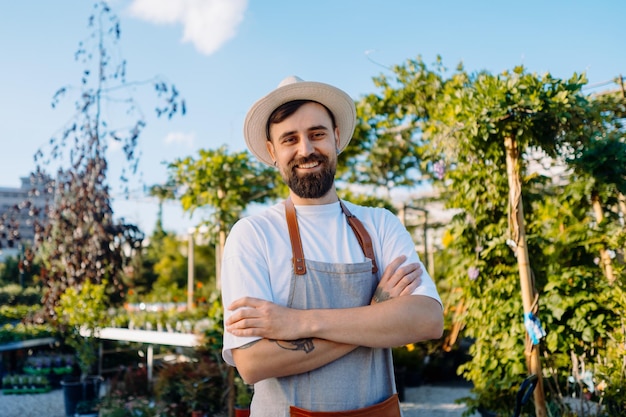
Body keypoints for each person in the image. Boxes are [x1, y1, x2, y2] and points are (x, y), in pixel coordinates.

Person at [221, 76, 443, 417]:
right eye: (290, 139)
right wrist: (376, 311)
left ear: (336, 137)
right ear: (272, 152)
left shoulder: (380, 224)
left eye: (317, 134)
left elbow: (427, 320)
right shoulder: (253, 235)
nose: (306, 149)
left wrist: (300, 323)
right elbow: (252, 362)